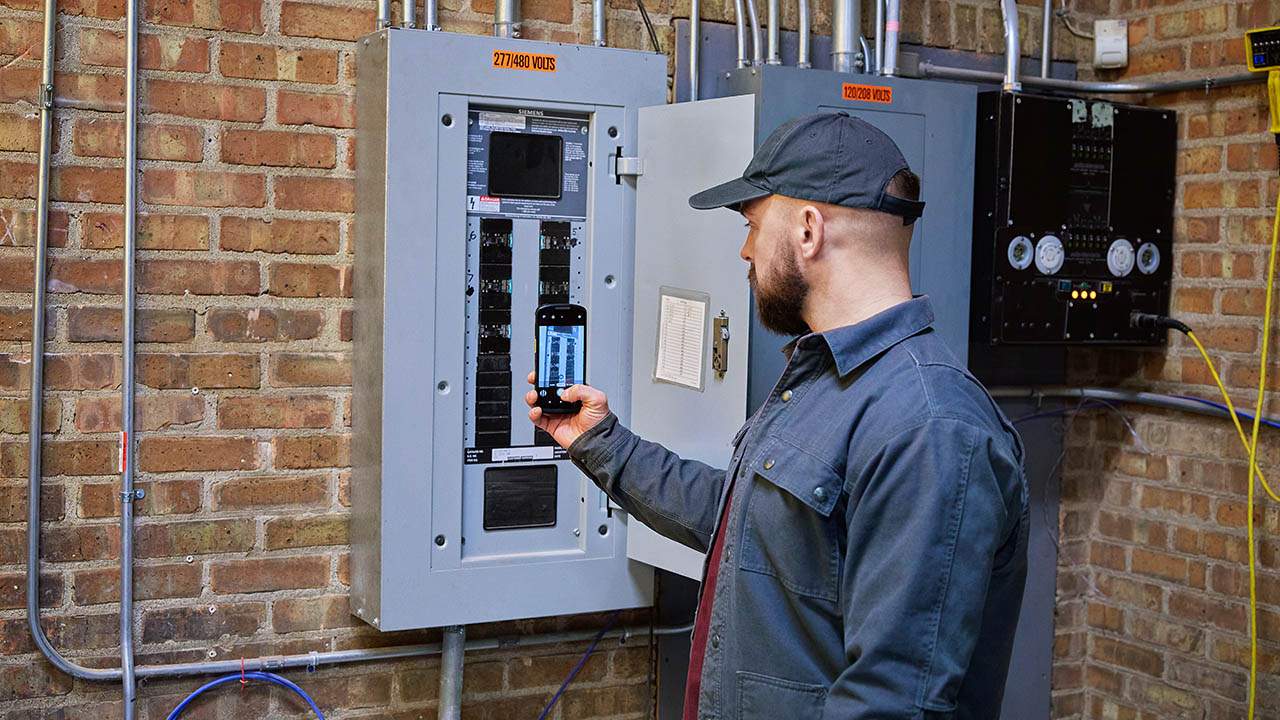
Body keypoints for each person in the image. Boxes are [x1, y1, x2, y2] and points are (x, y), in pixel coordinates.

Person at [525, 112, 1028, 719]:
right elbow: (748, 524)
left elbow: (893, 702)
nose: (744, 249)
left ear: (808, 230)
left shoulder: (930, 426)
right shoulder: (822, 380)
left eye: (753, 225)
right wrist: (599, 442)